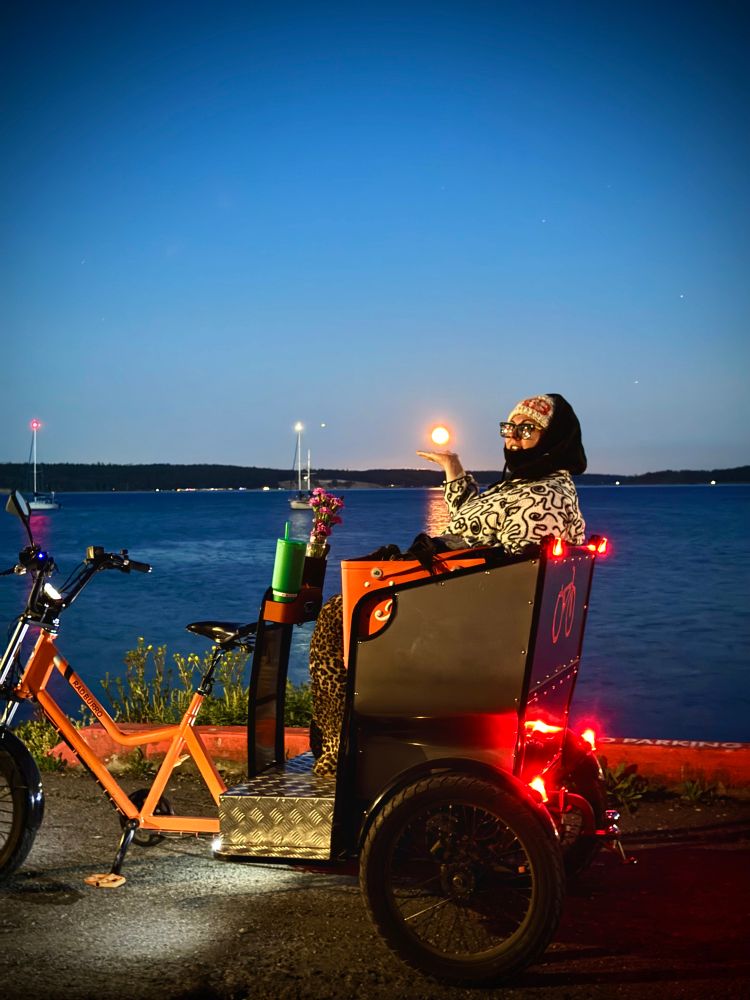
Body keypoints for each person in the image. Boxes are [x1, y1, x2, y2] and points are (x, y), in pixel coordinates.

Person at [309, 393, 587, 776]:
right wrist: (453, 469)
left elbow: (511, 573)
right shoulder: (530, 484)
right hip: (462, 601)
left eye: (527, 430)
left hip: (467, 622)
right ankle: (347, 740)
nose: (512, 438)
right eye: (509, 428)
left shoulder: (542, 497)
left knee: (337, 619)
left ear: (555, 439)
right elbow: (474, 522)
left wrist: (431, 576)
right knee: (347, 608)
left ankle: (337, 751)